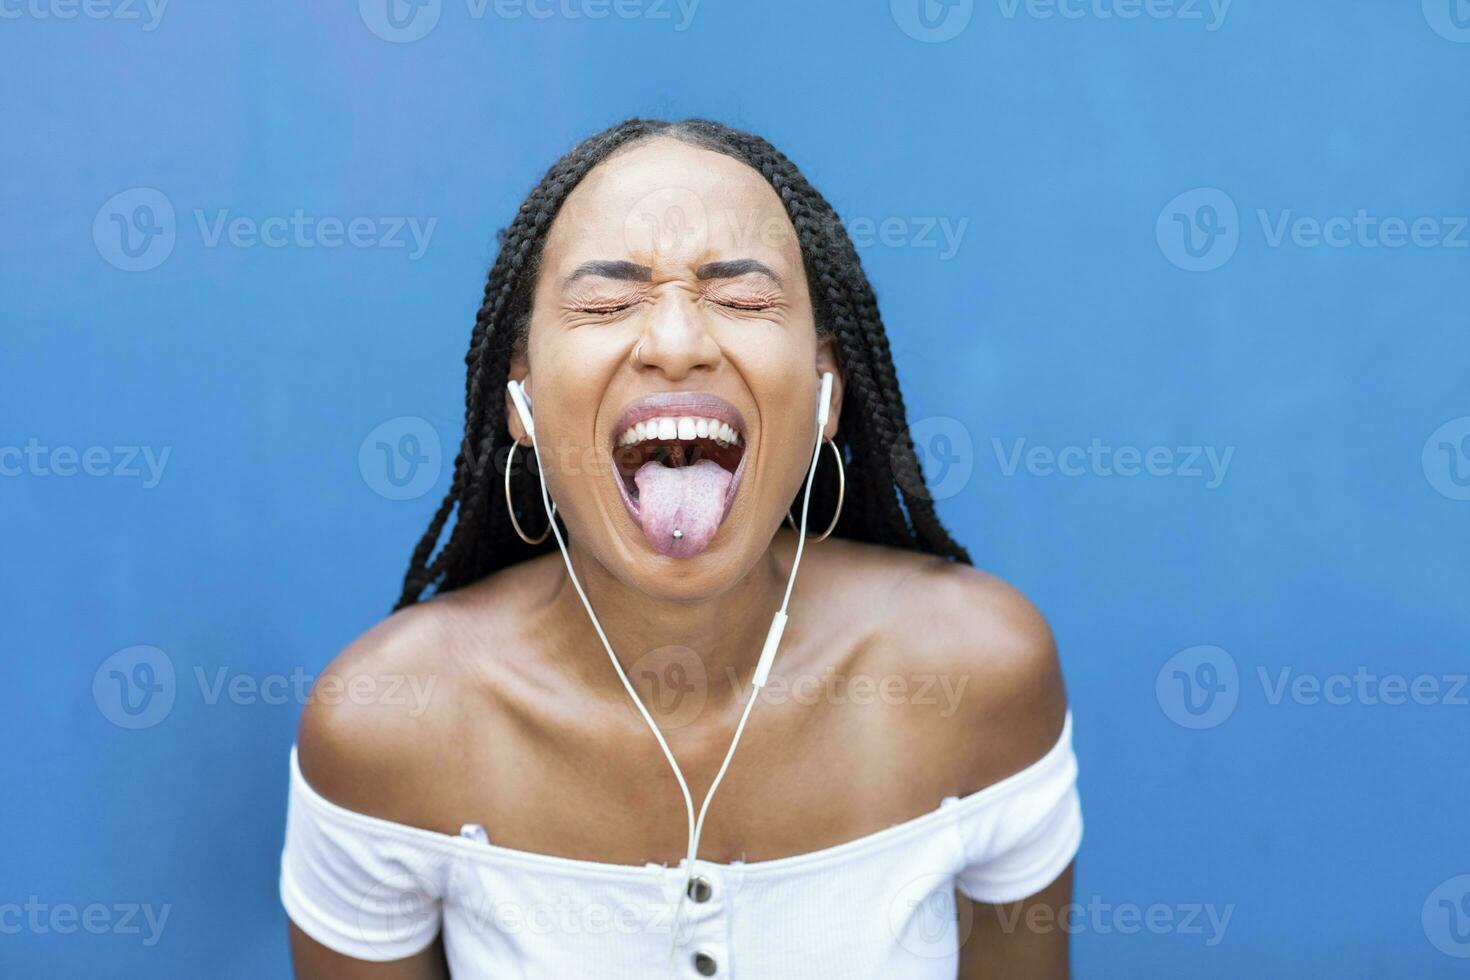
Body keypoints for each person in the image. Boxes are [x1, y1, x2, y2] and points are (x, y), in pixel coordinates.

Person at [280, 118, 1081, 979]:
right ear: (520, 397)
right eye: (605, 302)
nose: (674, 343)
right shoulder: (385, 727)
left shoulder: (981, 676)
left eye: (740, 299)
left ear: (827, 389)